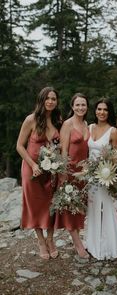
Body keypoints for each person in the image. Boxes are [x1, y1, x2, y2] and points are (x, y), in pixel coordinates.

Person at [16, 86, 62, 260]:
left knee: (51, 205)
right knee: (35, 205)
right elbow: (19, 146)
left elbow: (62, 145)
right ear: (41, 100)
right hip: (32, 169)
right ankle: (41, 241)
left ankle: (50, 239)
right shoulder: (31, 119)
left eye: (53, 99)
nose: (50, 102)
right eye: (47, 99)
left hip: (51, 171)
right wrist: (33, 165)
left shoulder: (58, 120)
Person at [86, 98, 117, 260]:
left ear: (109, 112)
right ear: (95, 111)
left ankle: (107, 244)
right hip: (90, 177)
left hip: (105, 176)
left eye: (105, 109)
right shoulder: (89, 127)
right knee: (92, 208)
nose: (101, 112)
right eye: (99, 109)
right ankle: (93, 241)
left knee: (104, 207)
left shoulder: (113, 132)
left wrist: (110, 175)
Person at [54, 93, 89, 258]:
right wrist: (63, 173)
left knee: (80, 206)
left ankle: (81, 237)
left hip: (84, 173)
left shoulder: (88, 124)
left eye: (83, 105)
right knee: (70, 206)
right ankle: (77, 243)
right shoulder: (67, 124)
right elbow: (64, 151)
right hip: (71, 171)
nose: (81, 108)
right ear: (72, 106)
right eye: (77, 105)